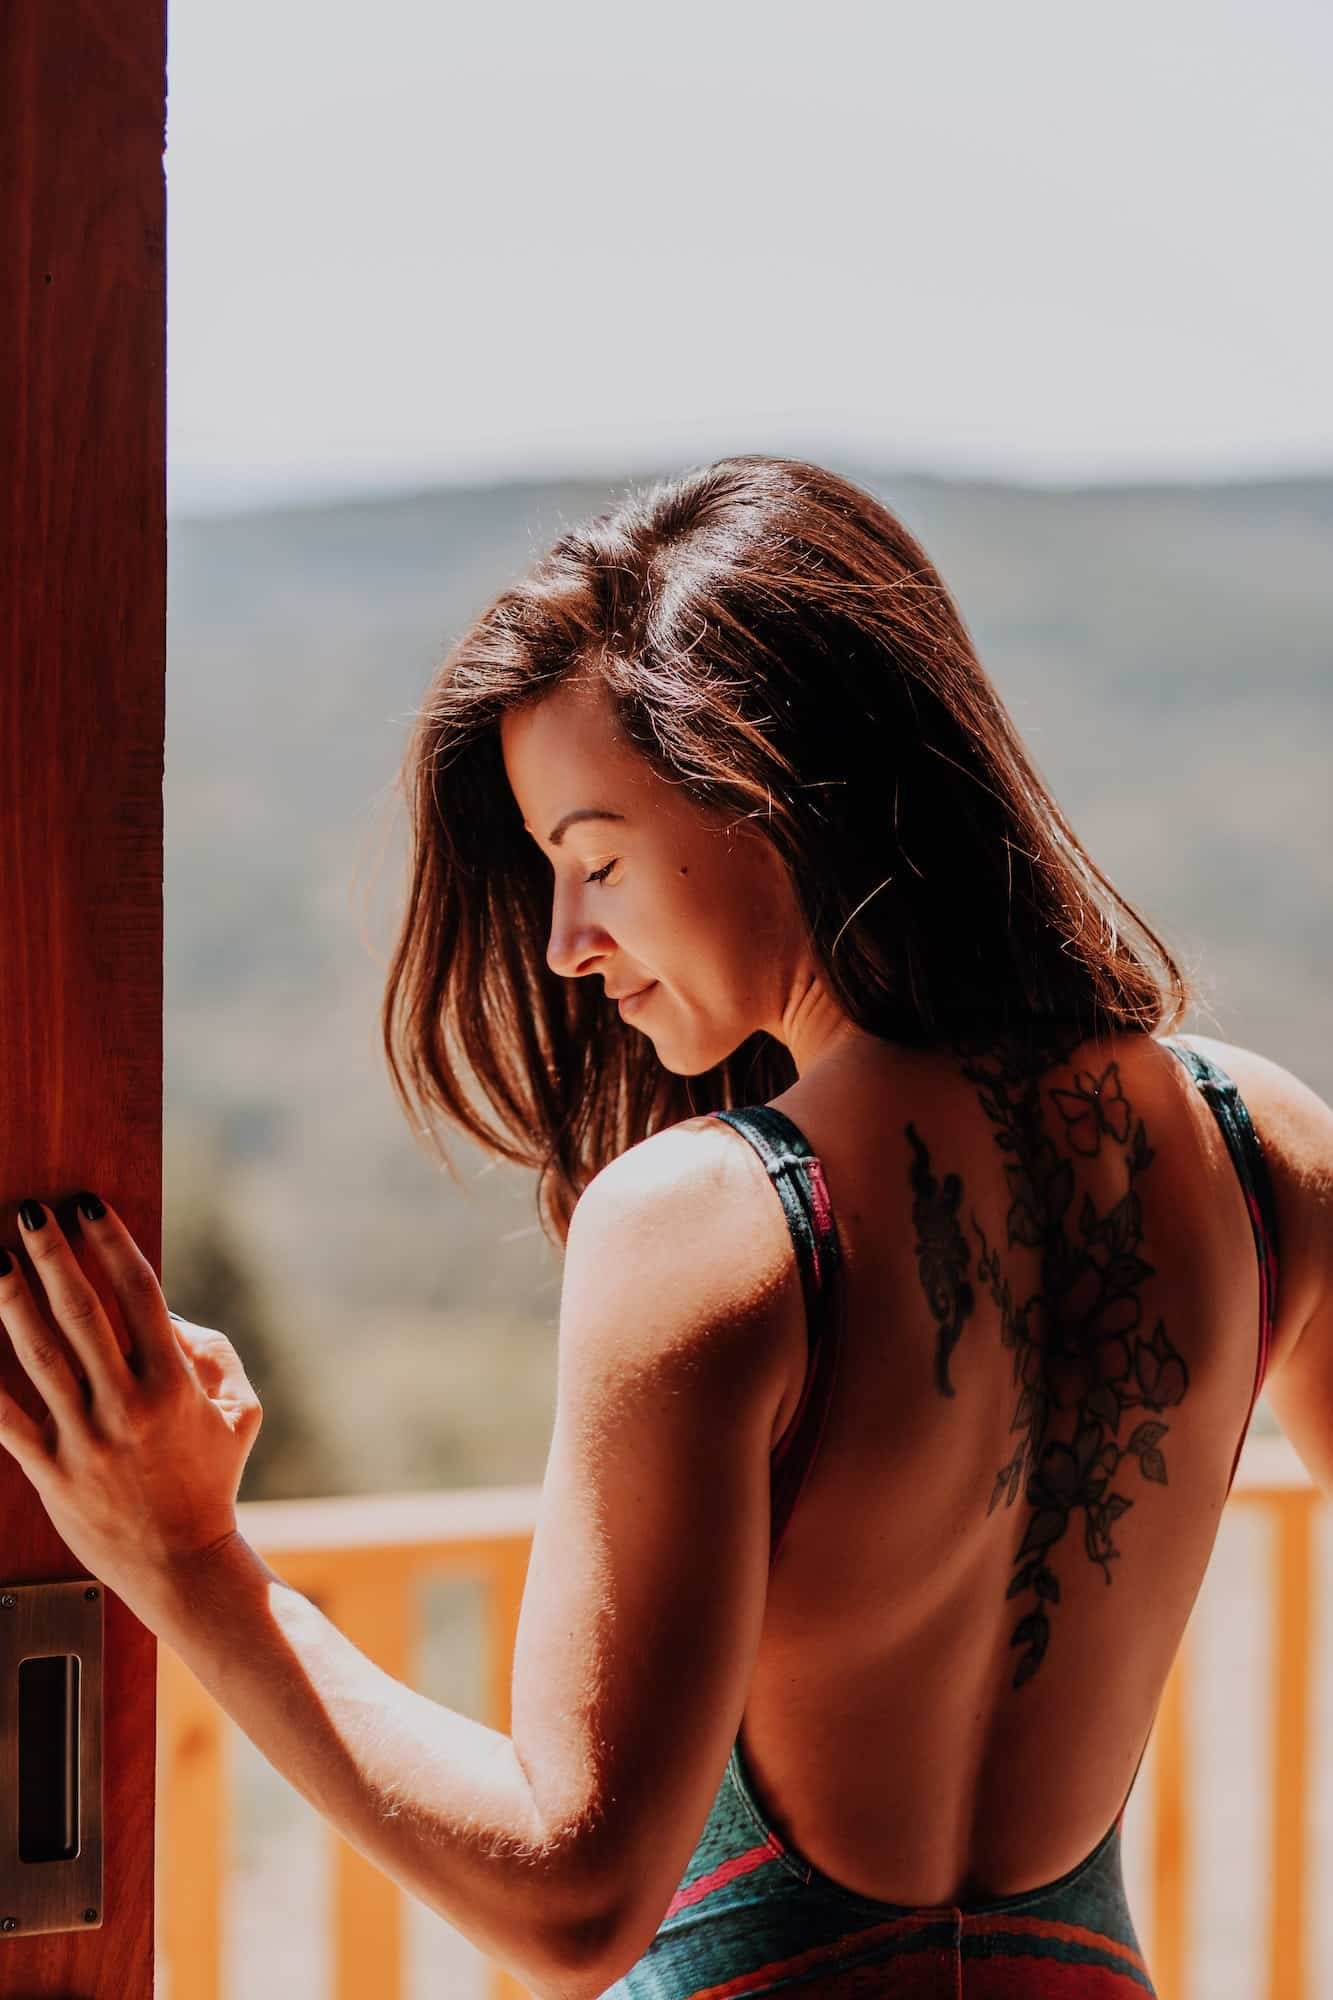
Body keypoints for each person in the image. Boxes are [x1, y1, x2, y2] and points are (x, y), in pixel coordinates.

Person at [377, 452, 1332, 1998]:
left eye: (595, 859)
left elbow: (572, 1899)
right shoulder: (1264, 1146)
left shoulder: (712, 1219)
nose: (565, 942)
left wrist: (196, 1561)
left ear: (760, 794)